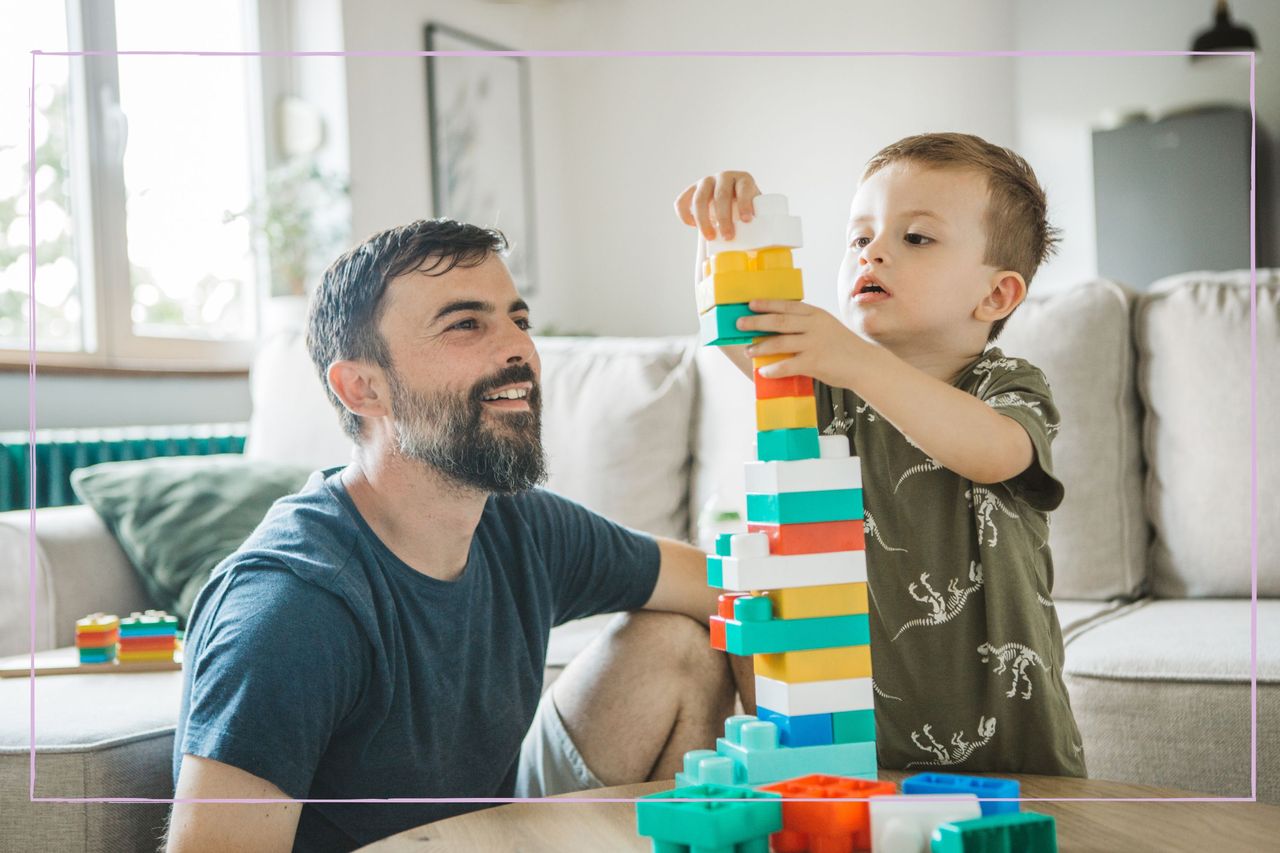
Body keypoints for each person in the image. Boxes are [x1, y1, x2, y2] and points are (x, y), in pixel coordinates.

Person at [165, 219, 754, 852]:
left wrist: (802, 772)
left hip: (491, 827)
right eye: (466, 324)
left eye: (519, 320)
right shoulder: (292, 610)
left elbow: (724, 589)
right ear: (363, 387)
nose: (519, 350)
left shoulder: (519, 525)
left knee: (678, 642)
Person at [674, 132, 1086, 777]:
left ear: (996, 296)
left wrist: (856, 360)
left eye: (915, 238)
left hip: (1010, 746)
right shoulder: (825, 392)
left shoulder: (1006, 387)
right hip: (855, 746)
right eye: (859, 238)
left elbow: (996, 453)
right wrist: (726, 235)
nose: (875, 254)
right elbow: (738, 324)